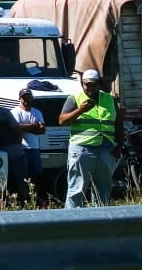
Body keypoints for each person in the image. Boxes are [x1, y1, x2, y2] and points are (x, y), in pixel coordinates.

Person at [58, 69, 124, 208]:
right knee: (77, 189)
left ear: (98, 84)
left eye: (93, 84)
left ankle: (100, 223)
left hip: (106, 150)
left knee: (103, 189)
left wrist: (119, 147)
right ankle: (73, 223)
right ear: (82, 84)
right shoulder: (75, 99)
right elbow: (62, 120)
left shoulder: (109, 99)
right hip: (82, 149)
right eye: (87, 84)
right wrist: (80, 110)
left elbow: (118, 124)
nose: (90, 87)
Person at [10, 88, 46, 203]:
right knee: (22, 177)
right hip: (21, 149)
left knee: (35, 176)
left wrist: (26, 128)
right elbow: (16, 129)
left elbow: (42, 130)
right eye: (24, 97)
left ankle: (34, 199)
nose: (26, 99)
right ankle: (24, 199)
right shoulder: (15, 112)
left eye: (28, 97)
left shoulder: (37, 112)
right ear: (19, 99)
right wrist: (34, 125)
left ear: (32, 98)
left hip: (34, 149)